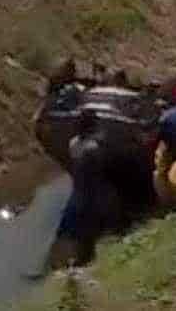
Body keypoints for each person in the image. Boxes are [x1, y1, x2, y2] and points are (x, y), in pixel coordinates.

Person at [65, 109, 115, 265]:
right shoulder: (93, 148)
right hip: (93, 189)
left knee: (82, 226)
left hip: (79, 189)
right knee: (94, 224)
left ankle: (80, 255)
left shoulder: (73, 144)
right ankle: (87, 258)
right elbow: (101, 168)